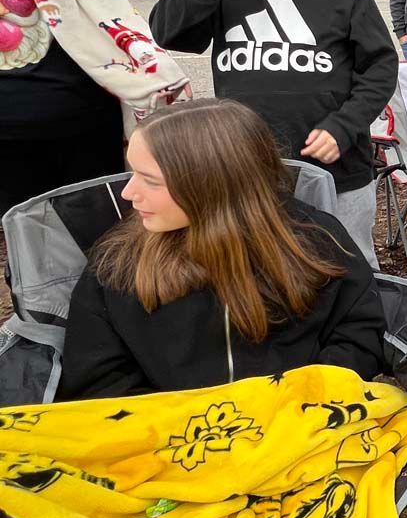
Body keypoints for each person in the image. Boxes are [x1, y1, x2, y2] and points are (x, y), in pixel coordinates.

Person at [150, 0, 397, 267]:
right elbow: (166, 32)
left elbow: (380, 68)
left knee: (350, 271)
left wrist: (344, 125)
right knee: (263, 273)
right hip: (249, 172)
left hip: (337, 173)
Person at [57, 99, 386, 399]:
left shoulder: (315, 241)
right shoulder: (119, 261)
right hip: (167, 435)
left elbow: (358, 333)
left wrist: (306, 399)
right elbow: (98, 376)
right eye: (132, 173)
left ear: (212, 184)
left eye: (151, 180)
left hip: (301, 424)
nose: (128, 193)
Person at [0, 0, 188, 214]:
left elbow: (111, 12)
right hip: (10, 142)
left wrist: (153, 68)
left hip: (84, 123)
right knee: (26, 232)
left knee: (107, 227)